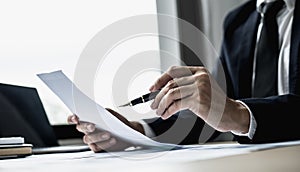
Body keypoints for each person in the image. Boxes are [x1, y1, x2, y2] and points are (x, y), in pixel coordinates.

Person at [68, 0, 300, 152]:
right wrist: (135, 131)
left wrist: (238, 114)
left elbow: (229, 111)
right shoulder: (239, 22)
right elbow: (212, 113)